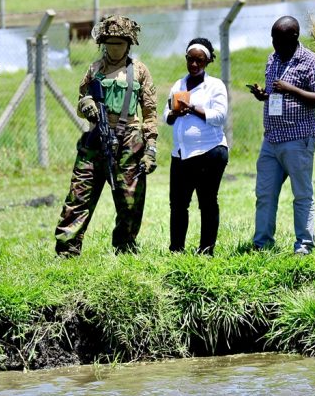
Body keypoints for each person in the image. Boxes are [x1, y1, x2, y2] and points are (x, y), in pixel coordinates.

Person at [54, 15, 158, 256]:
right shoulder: (94, 69)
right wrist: (87, 103)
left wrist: (150, 149)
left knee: (129, 199)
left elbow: (150, 114)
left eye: (119, 43)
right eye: (109, 43)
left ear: (129, 44)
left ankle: (125, 245)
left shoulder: (140, 71)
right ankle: (67, 249)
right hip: (95, 139)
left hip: (129, 139)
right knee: (79, 195)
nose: (113, 49)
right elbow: (81, 100)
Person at [248, 16, 315, 255]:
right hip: (271, 139)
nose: (274, 44)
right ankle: (262, 243)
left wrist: (291, 89)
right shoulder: (272, 58)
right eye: (272, 39)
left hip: (298, 139)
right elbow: (276, 96)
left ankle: (304, 245)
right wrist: (263, 95)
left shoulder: (310, 62)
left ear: (294, 37)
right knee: (264, 194)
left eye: (280, 40)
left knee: (302, 195)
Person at [164, 38, 229, 254]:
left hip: (209, 152)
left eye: (199, 61)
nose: (194, 65)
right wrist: (175, 113)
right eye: (190, 60)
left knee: (207, 202)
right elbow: (166, 116)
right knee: (178, 204)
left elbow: (219, 117)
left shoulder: (215, 86)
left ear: (207, 61)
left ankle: (206, 249)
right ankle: (176, 249)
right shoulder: (178, 85)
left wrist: (192, 108)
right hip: (181, 154)